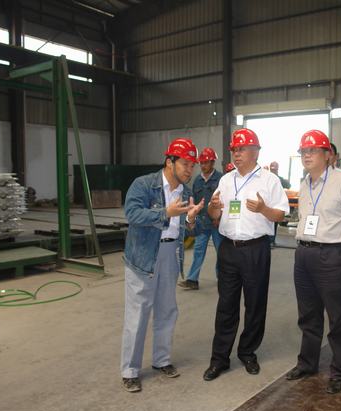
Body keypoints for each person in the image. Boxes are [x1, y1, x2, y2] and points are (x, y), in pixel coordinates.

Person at [203, 128, 289, 381]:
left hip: (256, 249)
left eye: (242, 149)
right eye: (234, 150)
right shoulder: (225, 180)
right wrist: (213, 208)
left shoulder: (269, 181)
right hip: (228, 248)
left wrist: (263, 209)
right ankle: (219, 359)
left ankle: (248, 352)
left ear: (256, 152)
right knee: (226, 305)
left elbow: (280, 215)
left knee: (255, 304)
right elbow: (214, 216)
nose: (237, 154)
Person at [286, 130, 341, 394]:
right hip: (304, 254)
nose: (307, 155)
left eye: (312, 151)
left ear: (327, 154)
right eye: (303, 151)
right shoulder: (304, 184)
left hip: (332, 255)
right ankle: (307, 363)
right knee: (308, 315)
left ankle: (340, 371)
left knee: (337, 317)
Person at [121, 138, 204, 393]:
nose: (190, 170)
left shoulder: (186, 192)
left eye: (192, 165)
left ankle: (162, 360)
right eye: (185, 164)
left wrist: (191, 220)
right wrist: (165, 213)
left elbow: (190, 229)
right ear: (170, 162)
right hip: (143, 256)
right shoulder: (144, 184)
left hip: (171, 254)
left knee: (167, 310)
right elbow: (132, 213)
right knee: (138, 314)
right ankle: (130, 371)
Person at [179, 148, 223, 291]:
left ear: (213, 162)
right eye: (201, 163)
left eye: (206, 162)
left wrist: (219, 217)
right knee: (198, 251)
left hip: (216, 223)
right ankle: (192, 280)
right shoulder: (197, 180)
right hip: (202, 223)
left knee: (221, 252)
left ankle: (222, 278)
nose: (203, 165)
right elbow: (194, 202)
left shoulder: (221, 179)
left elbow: (226, 200)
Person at [269, 160, 290, 246]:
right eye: (272, 168)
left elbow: (288, 185)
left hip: (276, 205)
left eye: (275, 169)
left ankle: (271, 240)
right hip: (267, 204)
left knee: (274, 223)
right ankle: (270, 240)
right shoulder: (266, 178)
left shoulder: (279, 179)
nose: (273, 170)